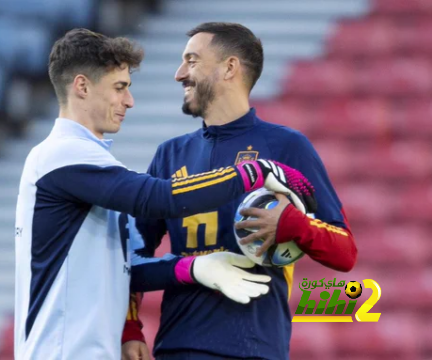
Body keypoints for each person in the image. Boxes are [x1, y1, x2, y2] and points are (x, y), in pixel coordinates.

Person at [14, 28, 317, 360]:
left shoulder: (91, 161)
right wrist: (254, 172)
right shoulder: (64, 155)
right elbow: (160, 197)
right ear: (82, 86)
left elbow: (129, 264)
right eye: (120, 88)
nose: (129, 101)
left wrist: (192, 269)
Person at [121, 22, 358, 360]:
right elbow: (130, 257)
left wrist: (292, 224)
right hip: (177, 347)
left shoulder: (287, 146)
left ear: (229, 67)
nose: (178, 74)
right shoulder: (168, 154)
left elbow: (345, 252)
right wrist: (130, 328)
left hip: (256, 348)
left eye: (191, 60)